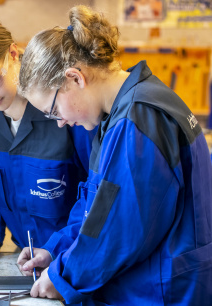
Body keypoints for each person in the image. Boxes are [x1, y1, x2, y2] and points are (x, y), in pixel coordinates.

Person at [17, 5, 212, 305]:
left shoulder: (139, 120)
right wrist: (57, 249)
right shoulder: (118, 115)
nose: (59, 122)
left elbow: (119, 232)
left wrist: (64, 277)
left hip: (164, 291)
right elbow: (95, 207)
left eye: (54, 110)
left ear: (75, 78)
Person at [0, 17, 96, 262]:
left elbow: (96, 187)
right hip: (26, 257)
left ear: (13, 54)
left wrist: (58, 248)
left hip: (75, 252)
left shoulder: (61, 99)